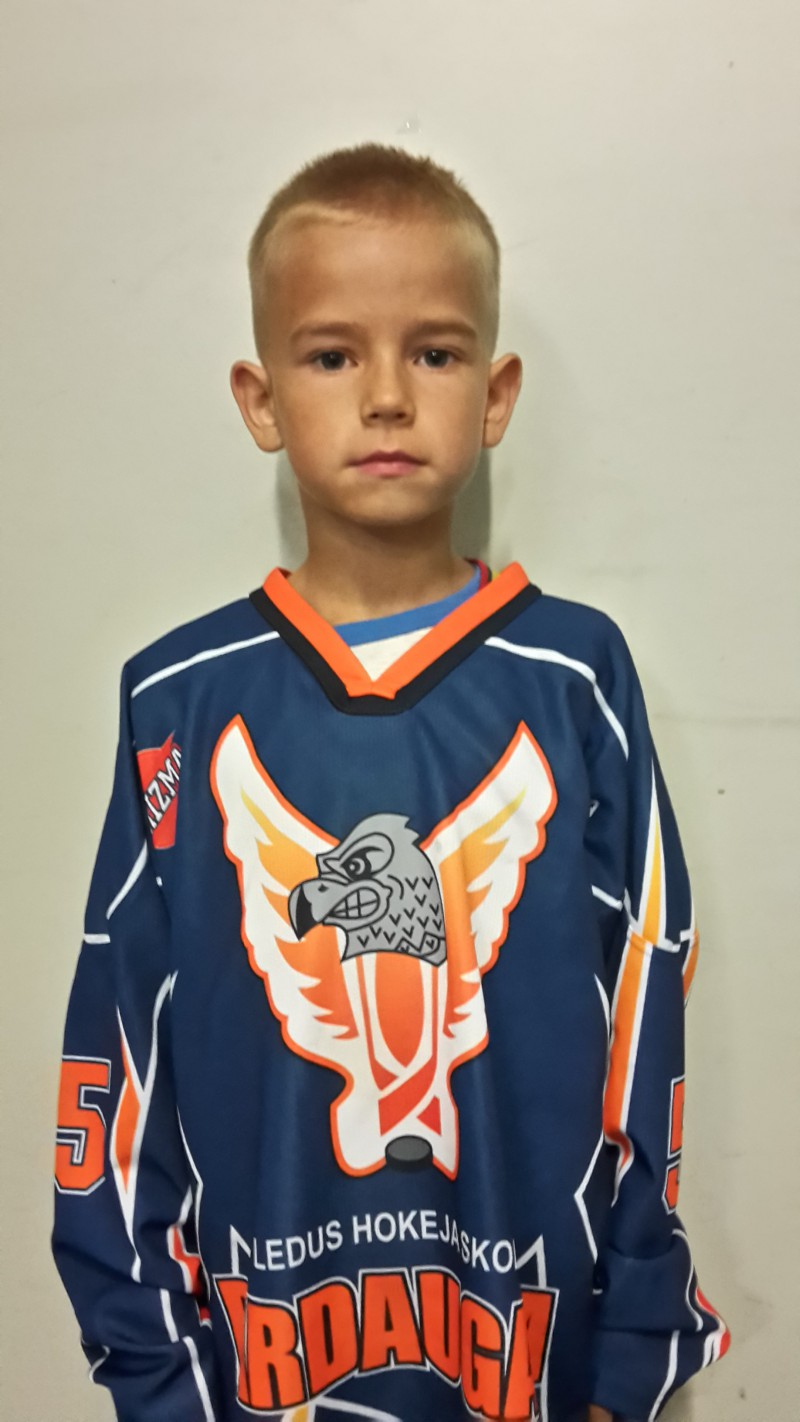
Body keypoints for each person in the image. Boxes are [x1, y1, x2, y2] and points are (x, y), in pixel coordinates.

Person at [52, 143, 729, 1422]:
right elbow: (118, 1055)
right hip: (261, 1375)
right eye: (330, 355)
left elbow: (647, 1000)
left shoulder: (572, 676)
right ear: (259, 398)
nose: (383, 397)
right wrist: (157, 1376)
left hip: (527, 1357)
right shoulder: (178, 699)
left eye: (433, 352)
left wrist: (627, 1346)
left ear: (494, 393)